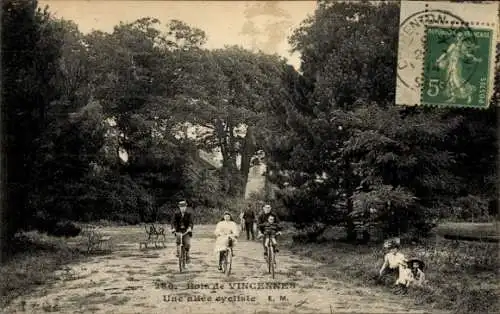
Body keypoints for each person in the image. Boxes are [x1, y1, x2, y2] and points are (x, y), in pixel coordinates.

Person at [170, 200, 194, 264]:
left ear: (186, 207)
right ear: (179, 207)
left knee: (187, 243)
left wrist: (189, 228)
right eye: (181, 207)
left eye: (184, 207)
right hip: (178, 231)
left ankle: (187, 255)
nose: (182, 208)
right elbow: (173, 222)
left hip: (186, 231)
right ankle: (178, 252)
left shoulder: (189, 214)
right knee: (178, 242)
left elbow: (191, 222)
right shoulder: (176, 213)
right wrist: (173, 228)